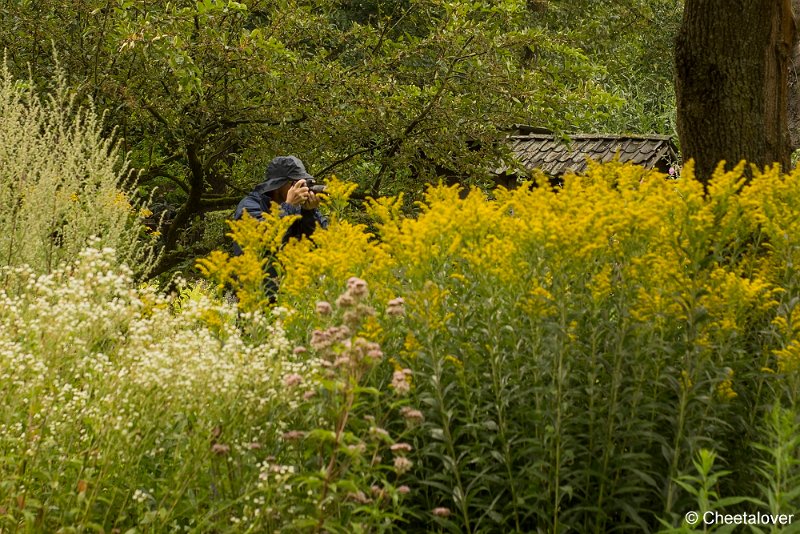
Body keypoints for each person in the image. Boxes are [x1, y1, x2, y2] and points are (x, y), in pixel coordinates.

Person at [232, 155, 329, 256]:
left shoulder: (299, 207)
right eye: (295, 183)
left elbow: (320, 244)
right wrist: (289, 206)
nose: (301, 189)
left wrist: (309, 213)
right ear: (278, 184)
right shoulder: (249, 205)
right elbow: (261, 240)